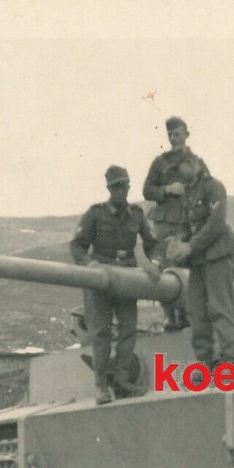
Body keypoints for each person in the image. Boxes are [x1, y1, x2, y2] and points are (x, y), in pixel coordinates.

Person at [70, 165, 162, 405]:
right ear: (109, 188)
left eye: (124, 186)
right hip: (100, 278)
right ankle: (101, 386)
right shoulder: (96, 214)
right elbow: (77, 246)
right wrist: (89, 264)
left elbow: (152, 243)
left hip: (126, 278)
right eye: (115, 187)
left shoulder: (137, 214)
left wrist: (154, 263)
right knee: (101, 333)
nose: (120, 190)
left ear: (129, 187)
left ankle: (121, 381)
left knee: (128, 330)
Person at [167, 156, 234, 368]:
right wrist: (178, 240)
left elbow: (216, 224)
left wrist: (190, 246)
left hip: (218, 255)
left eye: (180, 166)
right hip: (198, 261)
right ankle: (205, 363)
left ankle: (227, 362)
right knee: (196, 312)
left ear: (193, 164)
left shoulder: (213, 187)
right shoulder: (189, 192)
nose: (178, 172)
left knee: (220, 308)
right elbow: (185, 223)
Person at [143, 116, 205, 331]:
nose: (173, 138)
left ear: (186, 134)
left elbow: (207, 187)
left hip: (190, 221)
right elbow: (147, 190)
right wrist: (168, 189)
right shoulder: (160, 162)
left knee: (190, 267)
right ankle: (170, 317)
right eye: (169, 134)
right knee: (168, 269)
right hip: (167, 222)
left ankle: (189, 316)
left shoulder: (197, 162)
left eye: (177, 134)